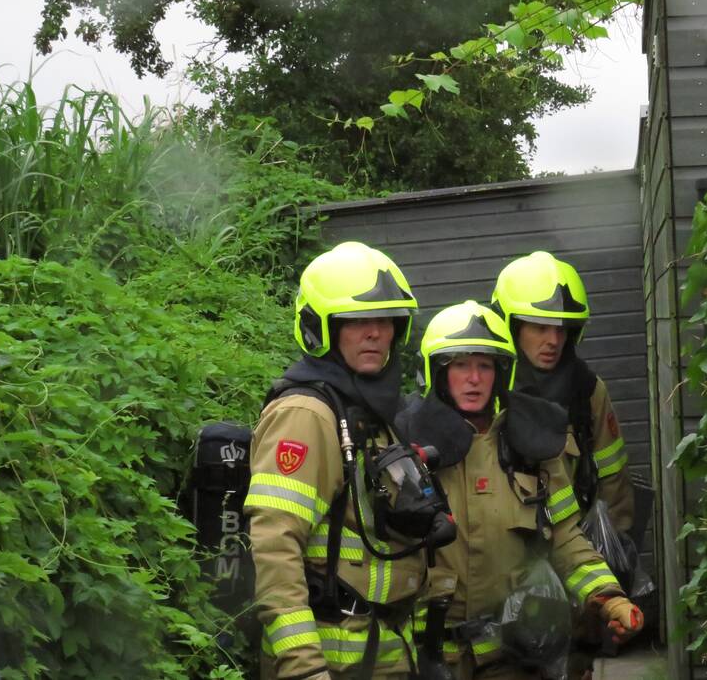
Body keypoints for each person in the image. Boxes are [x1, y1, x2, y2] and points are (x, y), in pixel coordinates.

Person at [396, 300, 643, 680]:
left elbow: (565, 537)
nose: (474, 378)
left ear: (501, 372)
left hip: (511, 655)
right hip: (427, 658)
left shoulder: (530, 447)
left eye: (484, 365)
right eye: (460, 365)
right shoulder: (404, 449)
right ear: (438, 372)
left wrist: (608, 597)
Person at [245, 241, 455, 680]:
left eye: (385, 320)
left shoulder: (374, 413)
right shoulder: (305, 415)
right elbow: (276, 548)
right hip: (331, 660)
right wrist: (303, 667)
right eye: (358, 321)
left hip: (386, 653)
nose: (376, 332)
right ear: (322, 329)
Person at [491, 252, 634, 533]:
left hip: (575, 545)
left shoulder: (588, 390)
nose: (553, 341)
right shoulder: (488, 390)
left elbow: (613, 480)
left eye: (562, 329)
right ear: (512, 327)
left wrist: (617, 547)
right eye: (540, 327)